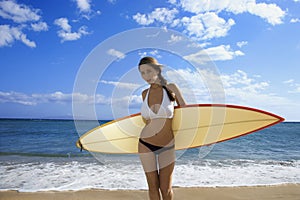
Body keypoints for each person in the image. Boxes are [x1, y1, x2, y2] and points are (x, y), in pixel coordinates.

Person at [138, 56, 186, 200]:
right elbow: (146, 121)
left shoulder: (171, 88)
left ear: (157, 70)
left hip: (167, 145)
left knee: (166, 189)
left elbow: (187, 113)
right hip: (145, 144)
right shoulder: (144, 94)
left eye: (148, 71)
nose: (146, 76)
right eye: (142, 73)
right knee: (153, 188)